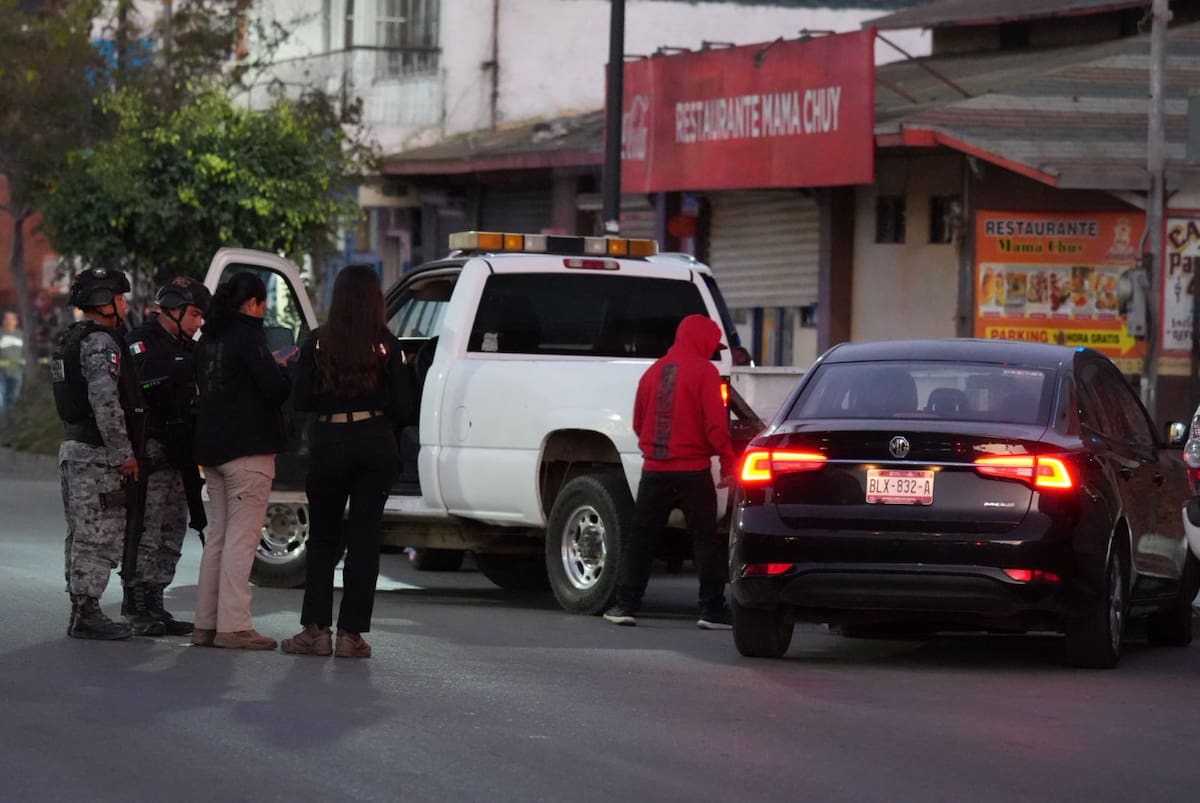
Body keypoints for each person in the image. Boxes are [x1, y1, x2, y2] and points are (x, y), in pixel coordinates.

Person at [282, 265, 415, 659]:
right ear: (375, 300)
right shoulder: (389, 345)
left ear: (337, 299)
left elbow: (300, 400)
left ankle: (316, 630)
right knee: (364, 539)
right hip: (375, 443)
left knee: (322, 538)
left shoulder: (318, 343)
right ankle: (351, 635)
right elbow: (406, 406)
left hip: (330, 442)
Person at [603, 313, 738, 630]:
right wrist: (729, 461)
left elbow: (638, 423)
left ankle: (625, 605)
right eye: (710, 345)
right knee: (705, 540)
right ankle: (711, 610)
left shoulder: (652, 373)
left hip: (654, 472)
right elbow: (716, 427)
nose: (712, 351)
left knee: (641, 540)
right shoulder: (705, 372)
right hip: (693, 472)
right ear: (700, 340)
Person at [192, 272, 291, 650]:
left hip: (212, 451)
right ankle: (234, 626)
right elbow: (274, 389)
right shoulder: (249, 336)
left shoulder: (209, 339)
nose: (263, 312)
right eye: (262, 304)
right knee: (241, 539)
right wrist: (285, 371)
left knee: (218, 537)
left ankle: (206, 623)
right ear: (252, 303)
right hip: (247, 451)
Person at [51, 267, 140, 640]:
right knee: (97, 534)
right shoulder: (101, 342)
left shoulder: (69, 338)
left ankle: (81, 609)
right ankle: (87, 613)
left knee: (80, 532)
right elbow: (105, 402)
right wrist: (124, 453)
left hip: (74, 448)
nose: (124, 305)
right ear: (105, 302)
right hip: (95, 454)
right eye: (120, 298)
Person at [122, 277, 212, 636]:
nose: (197, 323)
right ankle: (137, 603)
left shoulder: (189, 348)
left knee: (173, 528)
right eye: (193, 314)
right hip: (152, 449)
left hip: (181, 451)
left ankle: (156, 602)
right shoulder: (141, 342)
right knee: (148, 527)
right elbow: (140, 389)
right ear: (172, 310)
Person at [0, 309, 24, 417]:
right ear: (3, 321)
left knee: (14, 399)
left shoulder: (21, 335)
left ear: (16, 321)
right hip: (1, 373)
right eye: (7, 319)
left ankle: (12, 426)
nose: (10, 321)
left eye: (12, 319)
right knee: (2, 401)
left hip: (17, 372)